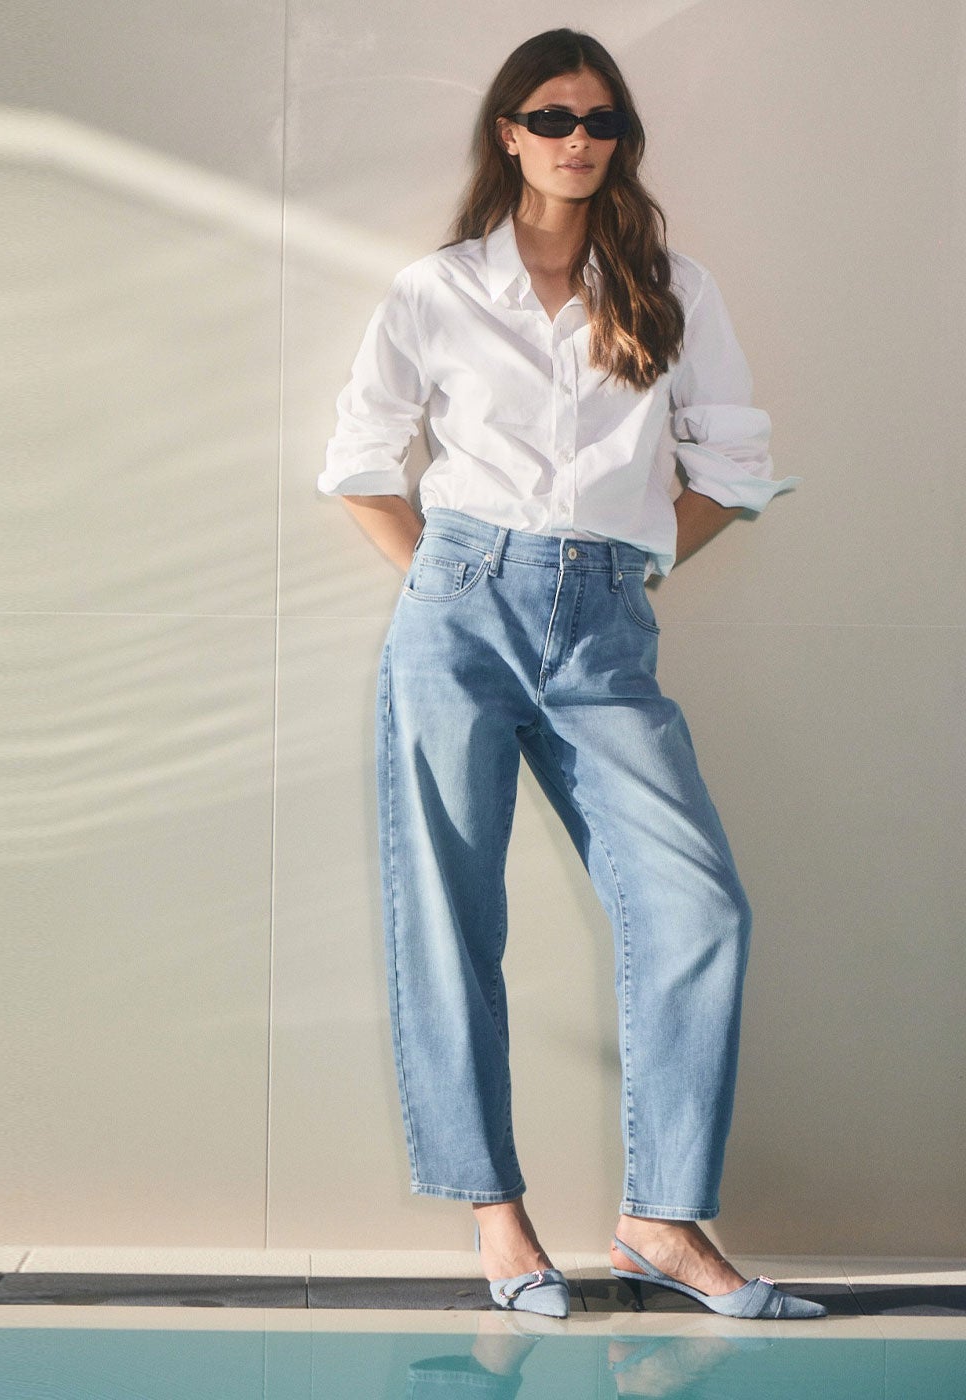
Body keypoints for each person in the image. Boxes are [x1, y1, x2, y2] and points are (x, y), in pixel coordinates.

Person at [317, 29, 824, 1320]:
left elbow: (737, 469)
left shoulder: (669, 287)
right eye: (552, 117)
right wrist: (444, 578)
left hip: (604, 619)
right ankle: (498, 1218)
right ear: (510, 132)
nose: (578, 139)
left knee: (698, 906)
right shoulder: (439, 290)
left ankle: (662, 1220)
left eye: (600, 121)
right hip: (459, 607)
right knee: (451, 914)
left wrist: (635, 571)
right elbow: (360, 464)